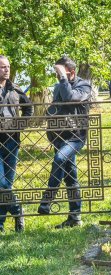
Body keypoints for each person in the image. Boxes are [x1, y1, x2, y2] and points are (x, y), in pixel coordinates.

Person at [38, 56, 92, 229]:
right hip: (59, 136)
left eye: (59, 72)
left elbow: (70, 98)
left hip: (76, 137)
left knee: (60, 159)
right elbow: (57, 105)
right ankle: (74, 218)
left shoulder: (84, 85)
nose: (57, 75)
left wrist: (63, 78)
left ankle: (47, 200)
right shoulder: (58, 86)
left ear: (71, 72)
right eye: (56, 72)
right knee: (71, 177)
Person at [0, 56, 33, 232]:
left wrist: (20, 125)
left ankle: (0, 224)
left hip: (12, 141)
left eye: (8, 67)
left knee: (6, 185)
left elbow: (29, 108)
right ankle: (17, 210)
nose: (6, 70)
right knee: (1, 184)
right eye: (2, 67)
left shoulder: (15, 88)